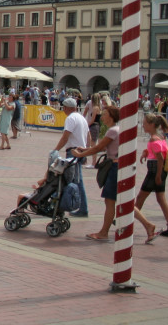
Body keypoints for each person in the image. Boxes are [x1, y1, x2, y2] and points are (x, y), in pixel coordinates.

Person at [73, 105, 121, 240]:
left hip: (114, 167)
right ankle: (147, 225)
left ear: (111, 116)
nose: (102, 117)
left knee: (110, 201)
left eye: (104, 114)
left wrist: (81, 154)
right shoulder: (118, 130)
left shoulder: (112, 131)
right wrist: (85, 149)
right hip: (117, 166)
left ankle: (104, 233)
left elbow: (99, 147)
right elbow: (103, 148)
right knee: (118, 201)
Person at [135, 113, 168, 241]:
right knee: (161, 199)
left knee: (140, 198)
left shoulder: (154, 138)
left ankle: (132, 222)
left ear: (152, 125)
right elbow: (159, 151)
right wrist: (146, 152)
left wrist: (158, 175)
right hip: (160, 170)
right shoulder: (160, 137)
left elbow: (160, 158)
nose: (143, 125)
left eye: (145, 123)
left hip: (155, 171)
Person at [52, 98, 89, 217]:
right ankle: (68, 204)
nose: (63, 109)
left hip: (74, 152)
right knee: (74, 180)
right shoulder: (82, 118)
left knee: (77, 181)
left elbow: (65, 137)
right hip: (81, 150)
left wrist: (56, 149)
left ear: (67, 108)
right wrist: (87, 150)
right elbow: (89, 136)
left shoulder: (71, 118)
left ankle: (82, 208)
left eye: (63, 107)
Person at [84, 93, 101, 164]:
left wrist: (86, 125)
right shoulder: (99, 107)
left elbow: (93, 120)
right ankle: (93, 162)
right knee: (92, 144)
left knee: (93, 145)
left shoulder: (95, 108)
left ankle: (93, 163)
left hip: (93, 126)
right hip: (97, 126)